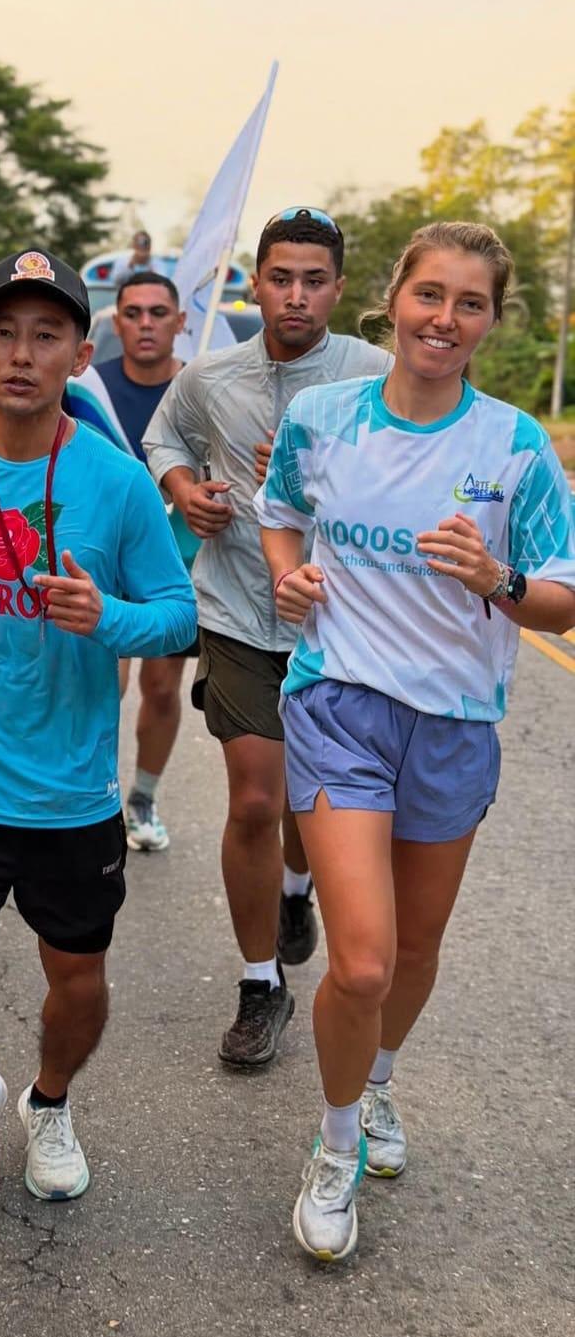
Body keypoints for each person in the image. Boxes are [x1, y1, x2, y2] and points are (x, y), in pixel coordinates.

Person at [255, 221, 575, 1262]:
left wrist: (498, 580)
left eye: (469, 302)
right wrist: (287, 573)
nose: (445, 318)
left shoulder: (515, 445)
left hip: (454, 723)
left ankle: (379, 1081)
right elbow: (280, 508)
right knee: (361, 958)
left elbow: (561, 601)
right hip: (339, 704)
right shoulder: (323, 416)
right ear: (393, 299)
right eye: (430, 294)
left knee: (418, 950)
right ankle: (336, 1140)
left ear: (490, 320)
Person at [0, 247, 196, 1212]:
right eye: (7, 335)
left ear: (80, 350)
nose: (25, 354)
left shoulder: (115, 482)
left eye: (49, 335)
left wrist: (106, 617)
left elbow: (180, 615)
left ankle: (51, 1100)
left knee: (80, 988)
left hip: (71, 792)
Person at [144, 207, 392, 1069]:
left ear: (337, 287)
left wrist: (319, 484)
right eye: (280, 277)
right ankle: (261, 985)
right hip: (241, 611)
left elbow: (410, 473)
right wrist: (186, 487)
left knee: (306, 799)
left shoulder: (375, 373)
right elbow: (164, 435)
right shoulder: (211, 375)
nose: (295, 295)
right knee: (254, 794)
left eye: (313, 280)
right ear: (256, 281)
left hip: (343, 622)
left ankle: (296, 885)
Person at [63, 271, 197, 851]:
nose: (146, 324)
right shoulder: (85, 386)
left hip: (174, 553)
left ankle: (141, 797)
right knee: (103, 683)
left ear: (180, 322)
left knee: (163, 689)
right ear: (117, 323)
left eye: (158, 313)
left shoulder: (201, 387)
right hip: (100, 558)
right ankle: (90, 796)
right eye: (134, 313)